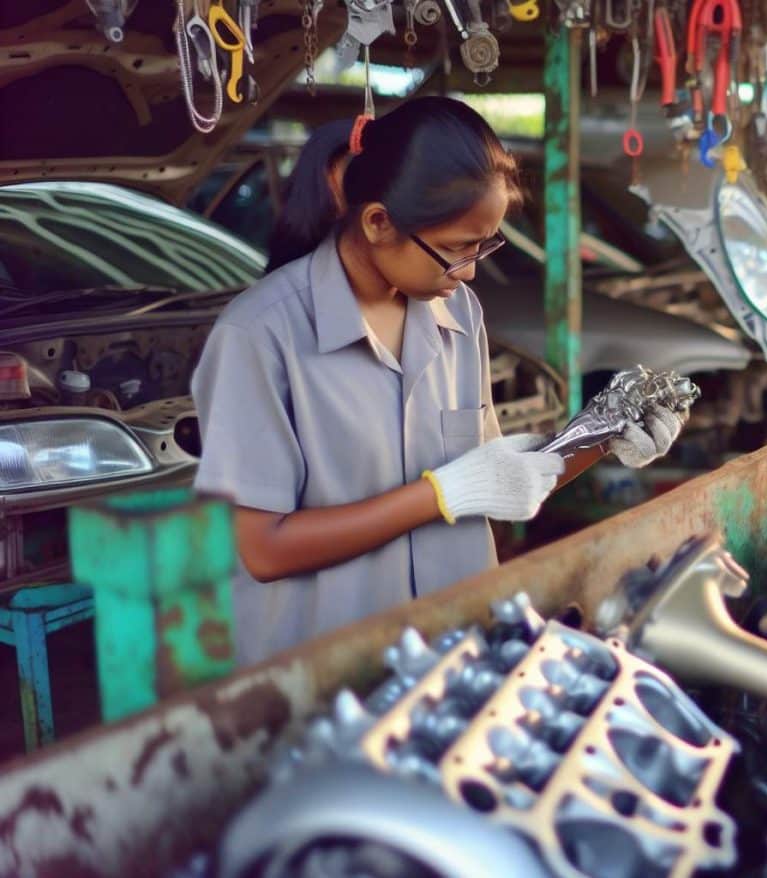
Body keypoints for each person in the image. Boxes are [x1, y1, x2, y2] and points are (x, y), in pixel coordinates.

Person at [191, 97, 682, 665]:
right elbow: (264, 549)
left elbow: (498, 478)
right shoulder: (258, 336)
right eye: (455, 250)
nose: (470, 270)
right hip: (330, 673)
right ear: (378, 222)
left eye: (483, 246)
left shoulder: (459, 313)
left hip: (459, 647)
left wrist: (603, 436)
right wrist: (441, 494)